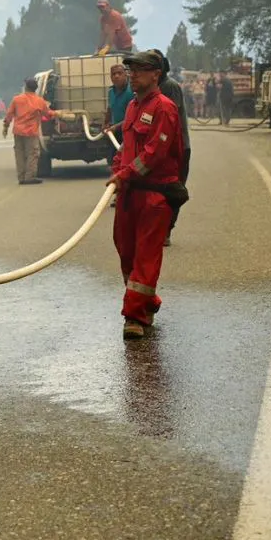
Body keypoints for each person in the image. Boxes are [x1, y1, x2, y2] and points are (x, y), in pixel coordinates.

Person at [106, 50, 186, 340]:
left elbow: (153, 154)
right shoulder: (132, 107)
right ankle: (146, 301)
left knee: (145, 256)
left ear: (156, 74)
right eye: (131, 70)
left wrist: (125, 174)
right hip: (129, 194)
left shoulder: (164, 108)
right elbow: (127, 148)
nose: (132, 75)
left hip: (154, 196)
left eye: (139, 70)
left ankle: (135, 317)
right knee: (125, 249)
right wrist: (117, 170)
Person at [150, 49, 192, 246]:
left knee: (174, 189)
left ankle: (167, 229)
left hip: (177, 148)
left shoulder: (170, 87)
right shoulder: (152, 88)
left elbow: (168, 118)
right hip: (158, 148)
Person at [3, 77, 58, 185]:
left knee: (20, 154)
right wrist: (58, 113)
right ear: (35, 89)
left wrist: (5, 127)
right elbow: (47, 114)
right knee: (32, 154)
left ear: (26, 87)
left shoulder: (17, 99)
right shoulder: (39, 101)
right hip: (31, 132)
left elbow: (9, 114)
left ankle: (21, 177)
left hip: (18, 131)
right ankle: (30, 177)